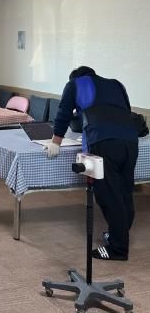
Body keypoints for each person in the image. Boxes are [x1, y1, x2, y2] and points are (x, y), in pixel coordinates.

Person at [48, 66, 139, 261]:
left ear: (74, 78)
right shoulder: (117, 85)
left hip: (104, 142)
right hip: (131, 141)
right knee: (124, 191)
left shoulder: (74, 84)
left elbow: (64, 113)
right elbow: (125, 111)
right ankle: (118, 234)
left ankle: (118, 249)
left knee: (109, 194)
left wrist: (55, 142)